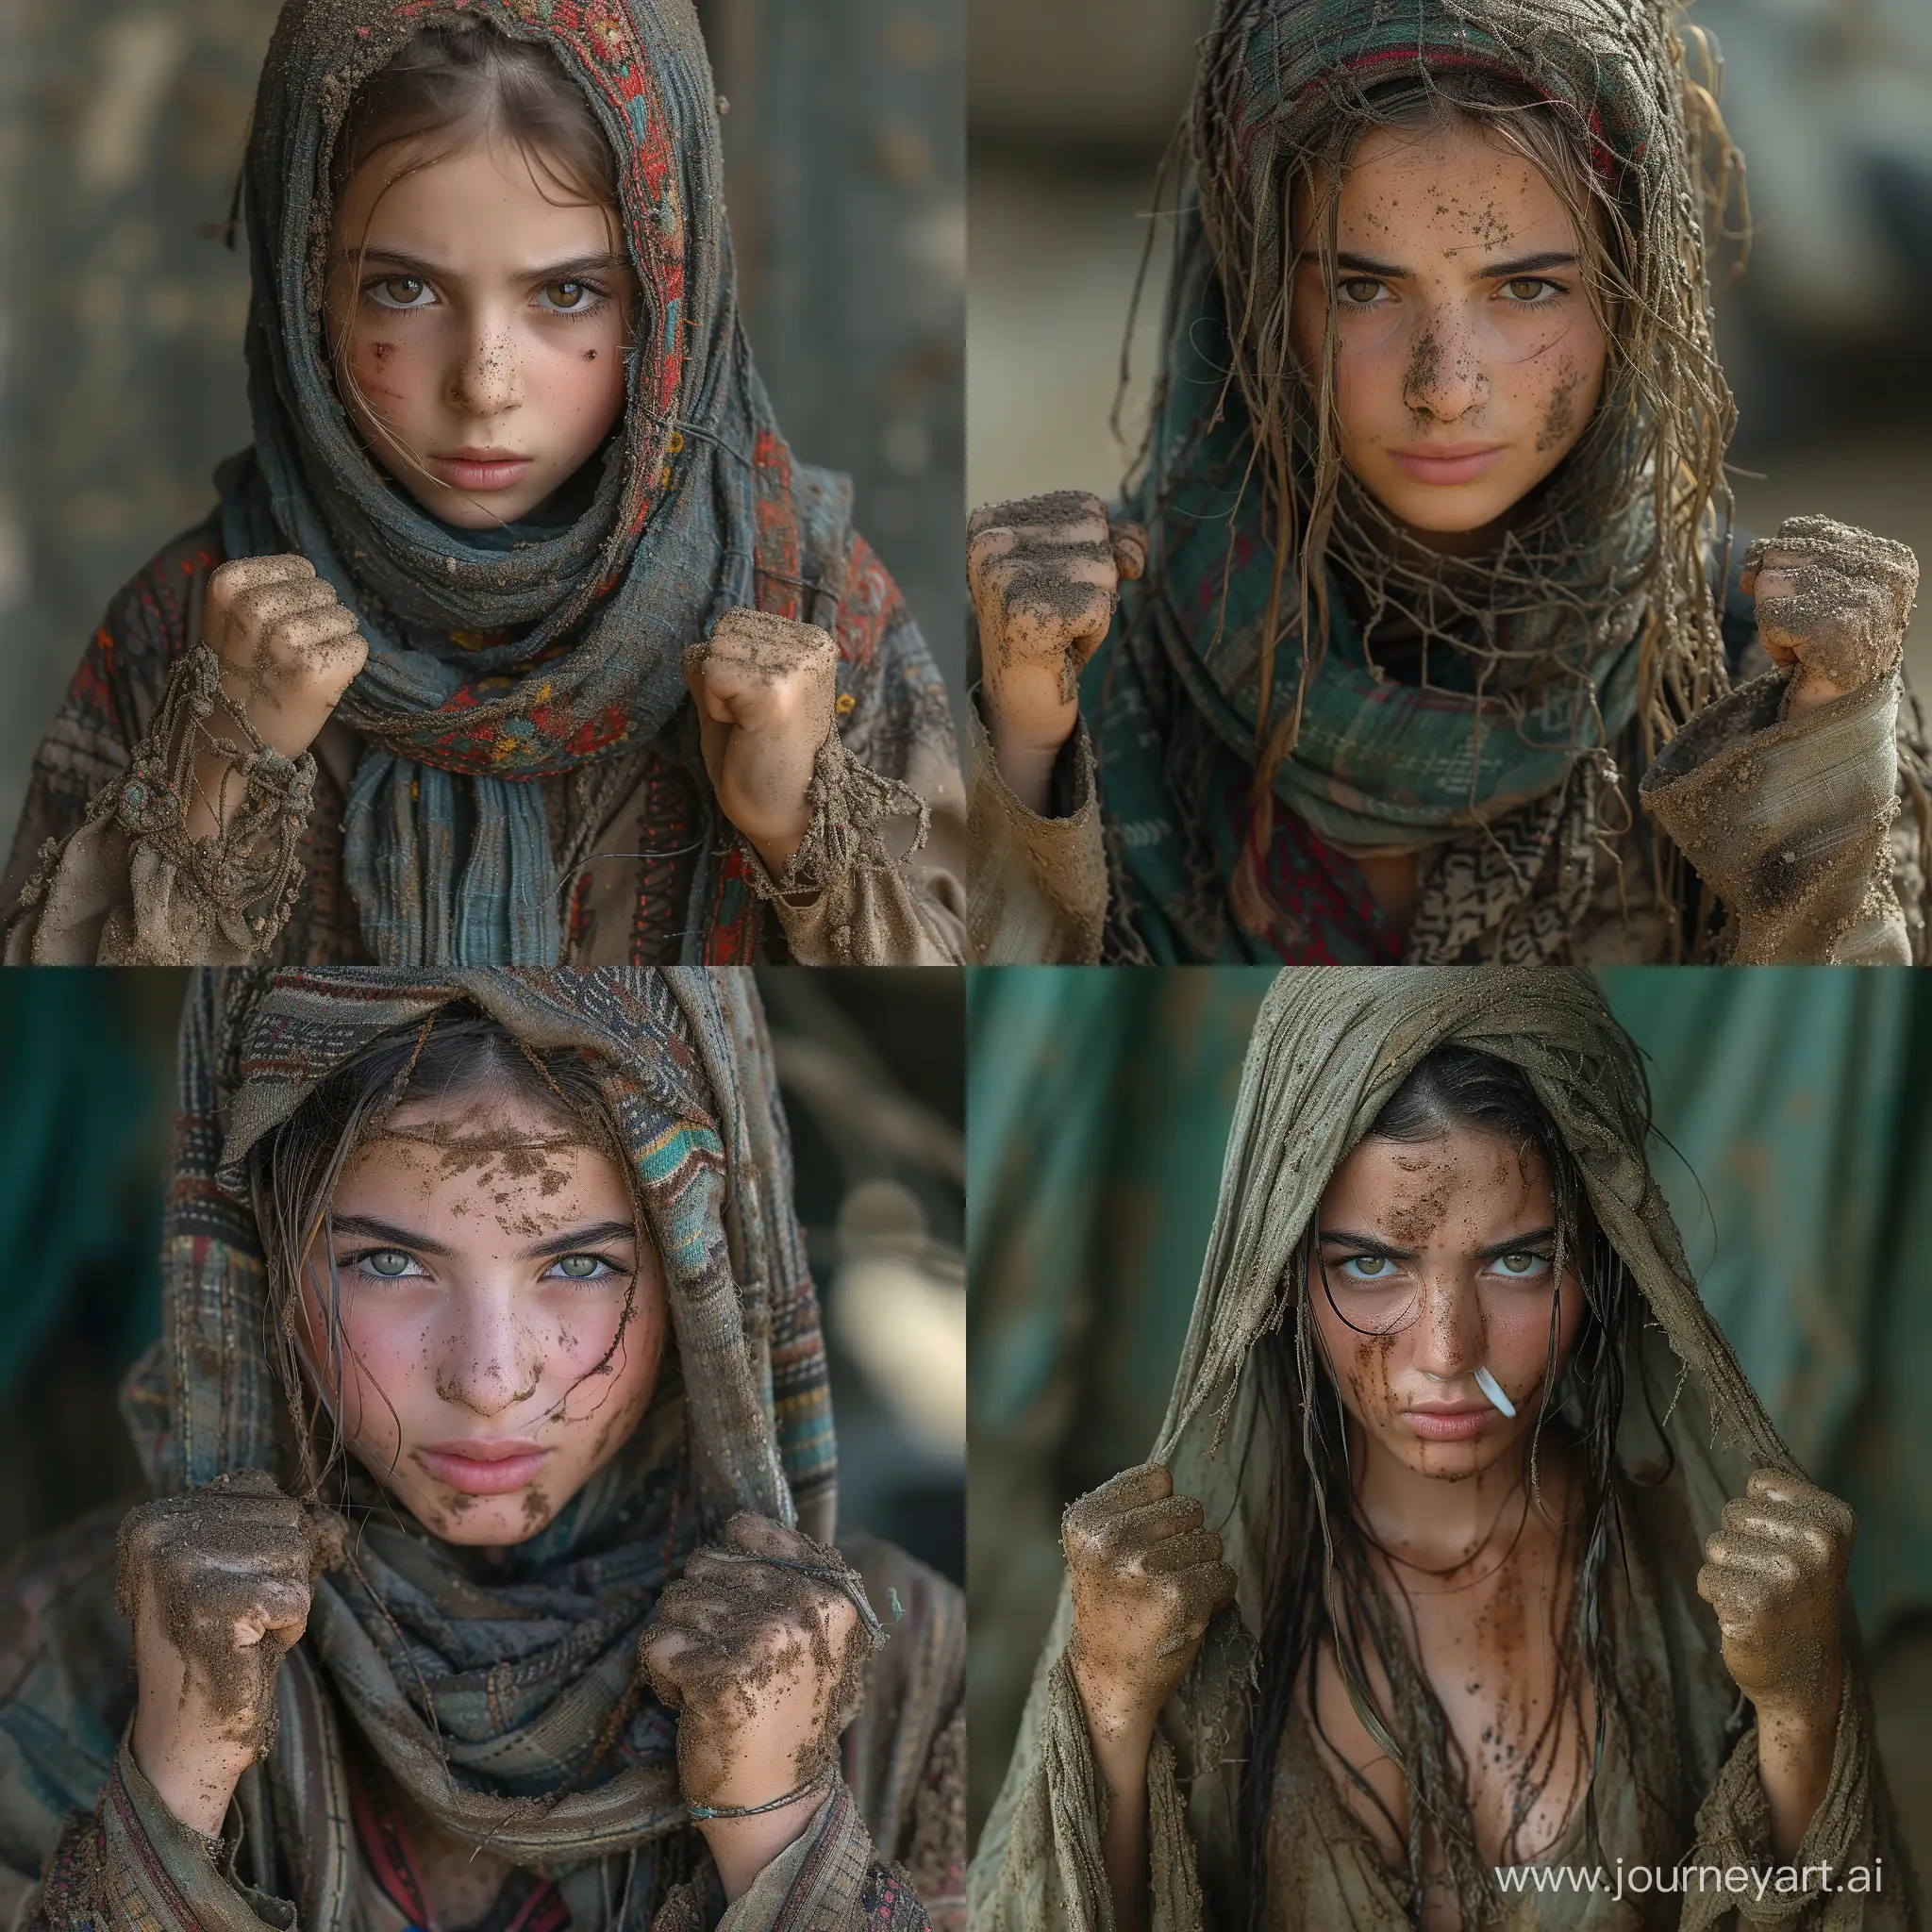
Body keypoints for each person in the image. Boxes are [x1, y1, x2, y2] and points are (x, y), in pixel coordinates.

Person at [966, 0, 1929, 968]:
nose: (1443, 388)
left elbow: (1834, 1091)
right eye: (1362, 289)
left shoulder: (1749, 665)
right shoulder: (1079, 649)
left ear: (1635, 290)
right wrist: (1024, 761)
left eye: (1525, 290)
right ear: (1252, 293)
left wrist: (1822, 774)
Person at [4, 0, 965, 968]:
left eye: (566, 293)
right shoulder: (203, 634)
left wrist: (800, 830)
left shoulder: (807, 609)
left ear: (671, 294)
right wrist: (208, 777)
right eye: (403, 289)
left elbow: (968, 979)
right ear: (304, 287)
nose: (484, 385)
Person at [0, 969, 965, 1931]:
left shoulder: (912, 1666)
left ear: (701, 1283)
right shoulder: (61, 1649)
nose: (490, 1378)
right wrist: (174, 1784)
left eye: (581, 1265)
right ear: (269, 1270)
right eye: (389, 1262)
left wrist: (774, 1822)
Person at [971, 969, 1914, 1929]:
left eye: (1518, 1259)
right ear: (1280, 1271)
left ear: (1604, 1257)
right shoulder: (1166, 1588)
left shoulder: (1714, 1584)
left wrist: (1799, 1710)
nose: (1446, 1351)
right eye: (1369, 1263)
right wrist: (1112, 1697)